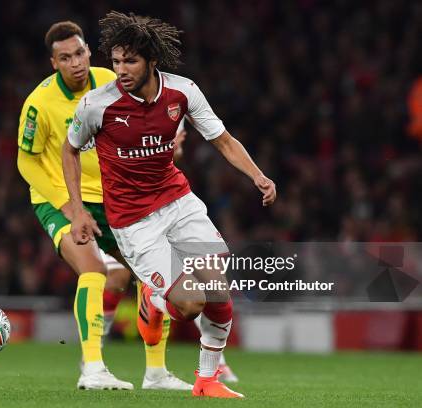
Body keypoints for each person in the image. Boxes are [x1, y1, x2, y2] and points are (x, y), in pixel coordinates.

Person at [62, 12, 276, 398]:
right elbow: (70, 150)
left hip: (178, 202)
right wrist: (78, 210)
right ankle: (156, 299)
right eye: (115, 61)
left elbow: (223, 140)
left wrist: (258, 176)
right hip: (133, 221)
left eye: (130, 61)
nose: (120, 70)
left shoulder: (183, 92)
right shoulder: (97, 105)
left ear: (151, 61)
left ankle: (206, 380)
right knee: (191, 303)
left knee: (218, 289)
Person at [17, 21, 191, 390]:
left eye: (80, 53)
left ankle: (156, 373)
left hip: (115, 196)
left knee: (151, 272)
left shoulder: (111, 83)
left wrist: (166, 143)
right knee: (93, 268)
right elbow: (26, 161)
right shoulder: (39, 103)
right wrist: (69, 206)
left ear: (88, 52)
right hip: (62, 202)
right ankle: (92, 367)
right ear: (53, 63)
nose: (76, 63)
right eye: (65, 58)